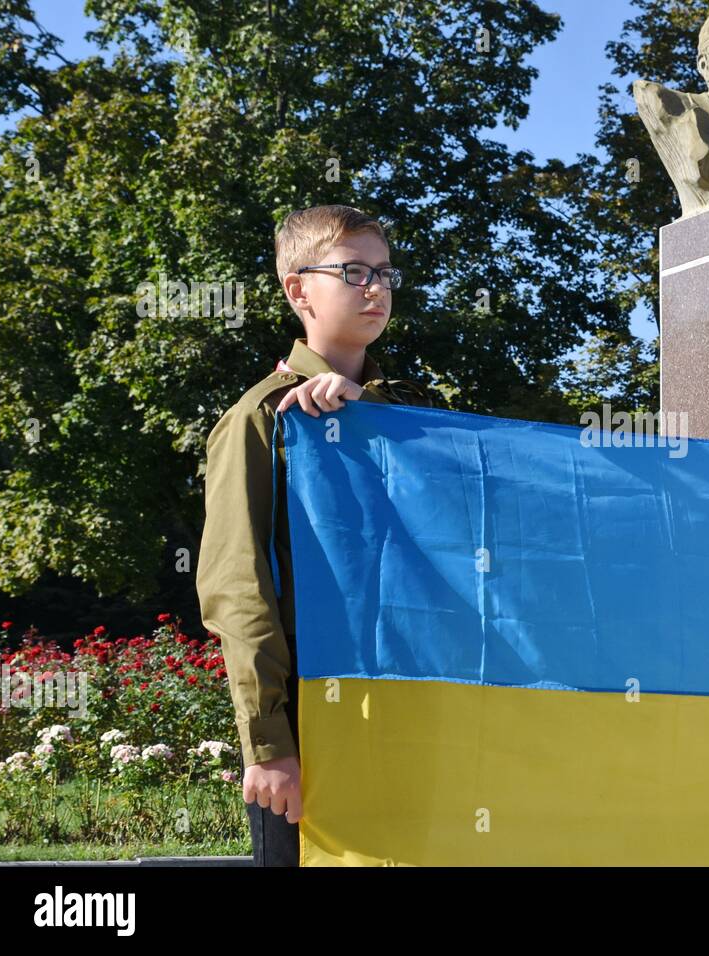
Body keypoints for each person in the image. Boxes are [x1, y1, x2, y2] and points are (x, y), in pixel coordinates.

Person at [196, 204, 435, 866]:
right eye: (353, 271)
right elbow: (237, 587)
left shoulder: (413, 414)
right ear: (298, 289)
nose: (376, 289)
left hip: (419, 709)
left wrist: (366, 422)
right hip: (317, 716)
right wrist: (270, 744)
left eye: (385, 272)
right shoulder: (263, 418)